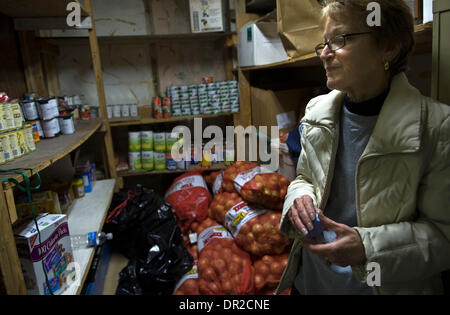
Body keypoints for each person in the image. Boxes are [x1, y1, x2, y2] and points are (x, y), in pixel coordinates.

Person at [275, 0, 450, 295]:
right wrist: (300, 197)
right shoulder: (317, 113)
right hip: (313, 284)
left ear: (388, 48)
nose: (325, 54)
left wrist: (367, 247)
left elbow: (443, 236)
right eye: (324, 43)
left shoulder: (436, 127)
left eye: (340, 40)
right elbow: (304, 178)